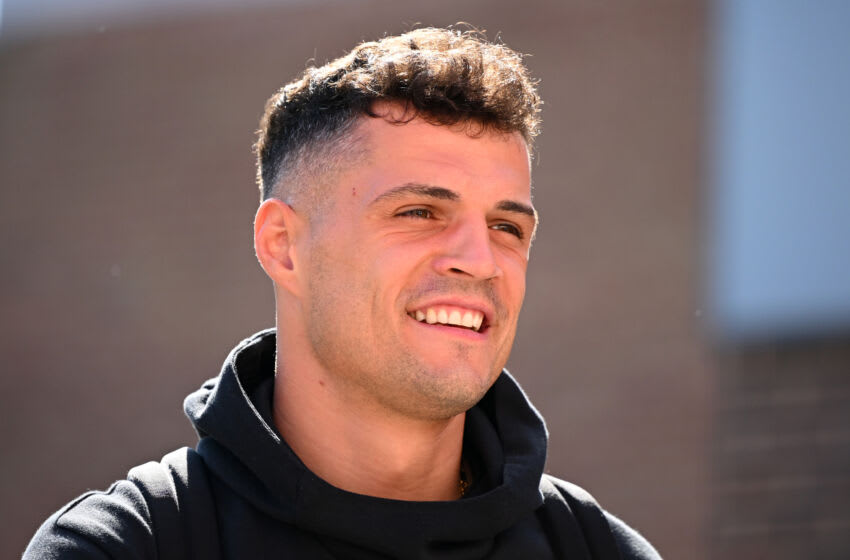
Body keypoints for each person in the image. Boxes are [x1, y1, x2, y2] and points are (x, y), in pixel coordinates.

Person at [24, 27, 661, 559]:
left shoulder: (595, 548)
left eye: (506, 226)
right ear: (283, 245)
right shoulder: (130, 545)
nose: (480, 260)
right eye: (418, 212)